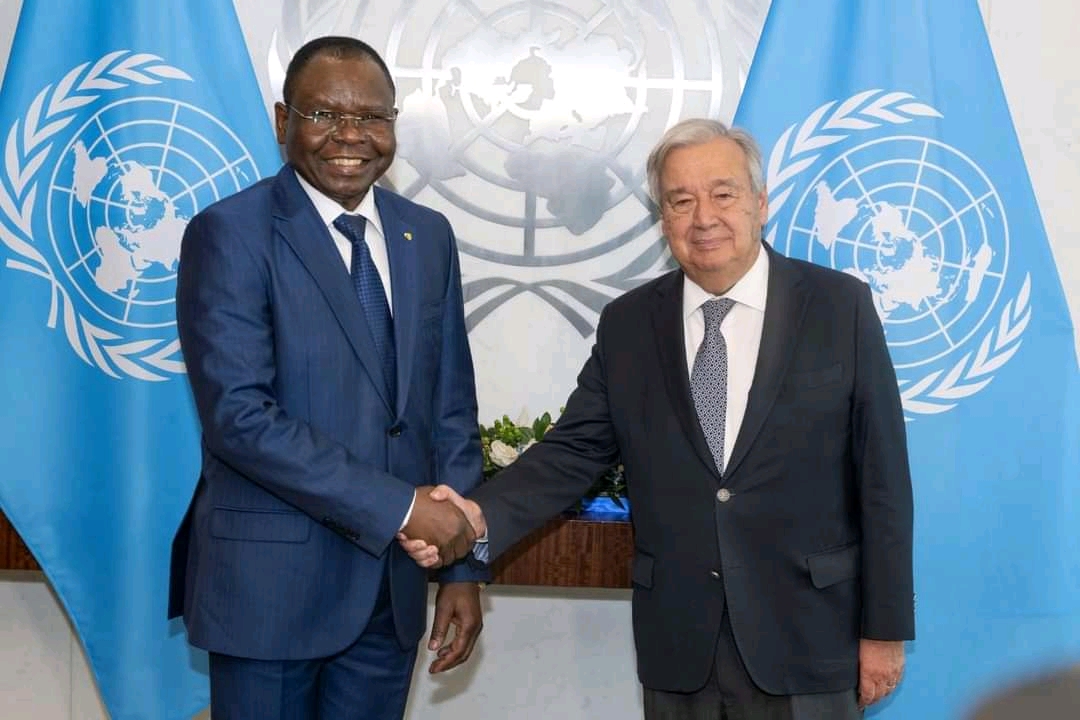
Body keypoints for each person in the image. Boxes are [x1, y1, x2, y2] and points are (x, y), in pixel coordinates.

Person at [401, 119, 915, 719]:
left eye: (723, 194)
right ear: (662, 217)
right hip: (681, 642)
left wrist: (883, 631)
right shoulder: (629, 324)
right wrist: (477, 516)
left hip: (809, 637)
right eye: (680, 200)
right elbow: (573, 453)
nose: (704, 217)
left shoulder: (839, 307)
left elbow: (882, 479)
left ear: (760, 203)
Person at [168, 36, 485, 720]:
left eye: (372, 117)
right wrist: (403, 509)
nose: (351, 135)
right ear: (283, 122)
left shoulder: (426, 236)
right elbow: (240, 419)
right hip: (271, 595)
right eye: (323, 115)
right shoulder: (230, 234)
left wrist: (460, 567)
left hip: (390, 597)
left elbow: (449, 408)